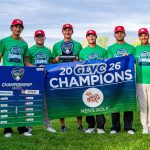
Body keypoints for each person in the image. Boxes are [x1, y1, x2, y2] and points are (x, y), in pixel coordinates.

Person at [0, 19, 32, 137]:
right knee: (8, 102)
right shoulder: (4, 42)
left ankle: (22, 128)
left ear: (22, 29)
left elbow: (26, 61)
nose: (18, 29)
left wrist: (38, 69)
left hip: (21, 76)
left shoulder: (24, 44)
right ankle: (7, 129)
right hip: (7, 76)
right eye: (16, 26)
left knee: (21, 102)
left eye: (20, 27)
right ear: (11, 28)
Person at [52, 23, 83, 132]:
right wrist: (55, 60)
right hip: (61, 76)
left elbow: (82, 60)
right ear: (62, 32)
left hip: (75, 76)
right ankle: (62, 126)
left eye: (69, 30)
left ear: (72, 32)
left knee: (78, 99)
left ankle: (80, 125)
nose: (67, 32)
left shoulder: (78, 45)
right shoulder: (56, 45)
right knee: (62, 99)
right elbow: (52, 61)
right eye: (65, 30)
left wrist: (78, 59)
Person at [107, 26, 135, 134]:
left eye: (121, 32)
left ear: (124, 34)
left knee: (128, 102)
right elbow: (109, 63)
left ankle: (128, 127)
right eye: (117, 33)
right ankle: (115, 127)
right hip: (115, 79)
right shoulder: (110, 48)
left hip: (128, 79)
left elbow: (134, 62)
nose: (119, 34)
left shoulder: (131, 48)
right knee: (115, 102)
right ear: (114, 35)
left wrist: (127, 58)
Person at [27, 29, 56, 133]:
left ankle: (48, 125)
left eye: (41, 36)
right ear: (34, 38)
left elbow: (52, 64)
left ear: (44, 38)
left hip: (45, 80)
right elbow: (26, 63)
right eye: (37, 36)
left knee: (46, 104)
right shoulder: (30, 50)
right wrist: (36, 69)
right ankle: (29, 127)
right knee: (31, 103)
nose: (40, 38)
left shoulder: (48, 51)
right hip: (33, 79)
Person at [79, 30, 107, 134]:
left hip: (99, 80)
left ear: (96, 37)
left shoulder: (103, 50)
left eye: (93, 36)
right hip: (87, 81)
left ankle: (100, 127)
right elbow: (79, 67)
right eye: (89, 36)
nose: (91, 37)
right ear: (86, 38)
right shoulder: (82, 52)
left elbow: (108, 65)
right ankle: (90, 125)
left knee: (99, 101)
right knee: (88, 102)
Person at [135, 28, 150, 134]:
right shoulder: (135, 49)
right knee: (143, 105)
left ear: (148, 36)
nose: (143, 37)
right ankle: (145, 127)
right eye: (141, 35)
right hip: (140, 82)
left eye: (145, 35)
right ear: (139, 37)